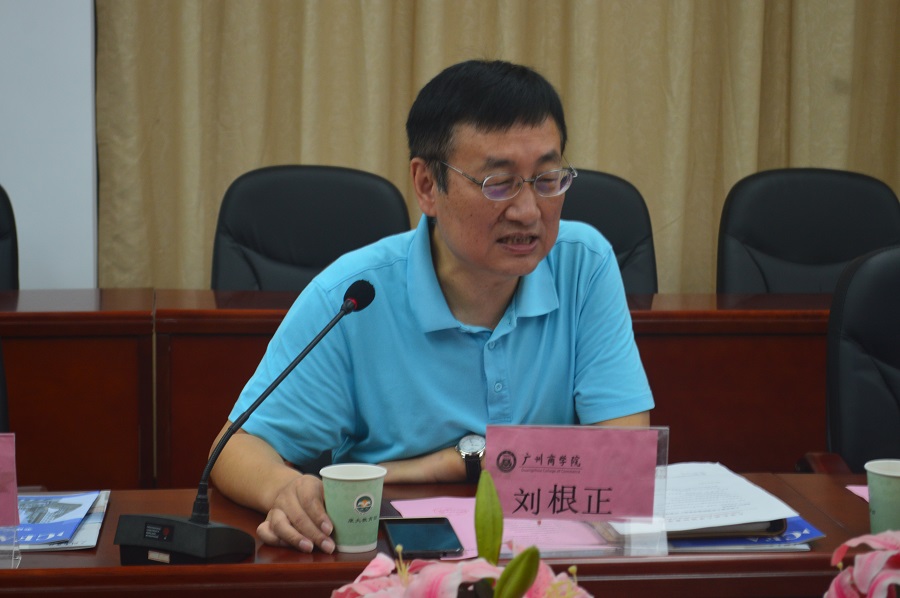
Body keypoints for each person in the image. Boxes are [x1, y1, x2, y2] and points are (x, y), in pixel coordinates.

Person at [209, 59, 654, 554]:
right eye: (499, 183)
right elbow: (235, 449)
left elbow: (623, 460)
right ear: (427, 186)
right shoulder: (353, 295)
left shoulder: (583, 264)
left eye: (548, 179)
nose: (529, 211)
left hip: (549, 562)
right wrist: (286, 491)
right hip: (392, 561)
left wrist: (451, 463)